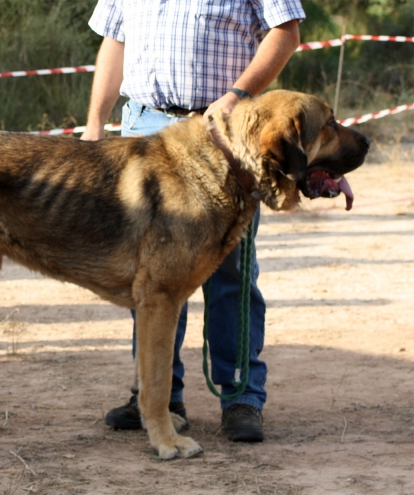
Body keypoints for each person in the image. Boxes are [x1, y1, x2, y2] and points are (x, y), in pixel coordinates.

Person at [81, 0, 304, 442]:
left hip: (224, 131)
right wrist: (94, 124)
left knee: (231, 272)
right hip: (143, 127)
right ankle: (159, 397)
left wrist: (238, 95)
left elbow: (286, 32)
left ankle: (241, 396)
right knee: (149, 274)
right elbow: (114, 40)